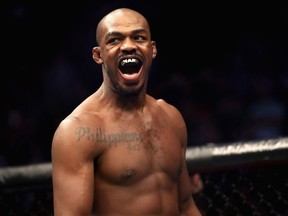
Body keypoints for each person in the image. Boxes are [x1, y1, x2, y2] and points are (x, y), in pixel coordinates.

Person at [51, 7, 202, 216]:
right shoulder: (77, 131)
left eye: (138, 38)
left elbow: (185, 206)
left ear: (152, 49)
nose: (129, 46)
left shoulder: (171, 117)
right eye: (114, 40)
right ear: (98, 55)